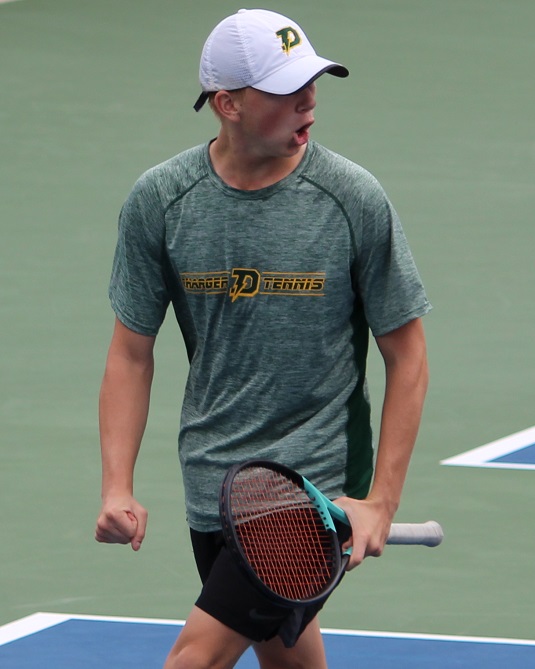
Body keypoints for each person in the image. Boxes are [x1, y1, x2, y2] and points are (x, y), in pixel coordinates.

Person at [94, 8, 431, 668]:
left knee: (193, 659)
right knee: (290, 661)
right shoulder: (161, 202)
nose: (309, 98)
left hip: (314, 489)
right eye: (285, 89)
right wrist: (116, 486)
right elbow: (131, 352)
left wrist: (379, 502)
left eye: (312, 80)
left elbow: (408, 353)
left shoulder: (352, 199)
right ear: (228, 104)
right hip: (213, 483)